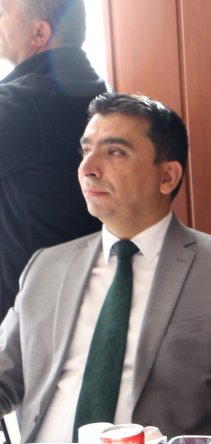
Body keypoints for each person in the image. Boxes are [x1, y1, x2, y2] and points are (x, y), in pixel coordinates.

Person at [0, 92, 211, 444]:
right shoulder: (45, 267)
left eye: (114, 152)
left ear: (167, 176)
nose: (88, 168)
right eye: (86, 150)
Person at [0, 0, 106, 317]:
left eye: (3, 12)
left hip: (31, 317)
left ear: (39, 33)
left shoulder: (26, 103)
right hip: (87, 297)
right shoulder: (98, 91)